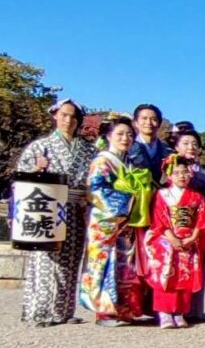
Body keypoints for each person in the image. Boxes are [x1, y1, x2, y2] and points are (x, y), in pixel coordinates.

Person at [14, 98, 96, 327]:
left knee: (71, 258)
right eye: (64, 115)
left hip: (77, 207)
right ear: (55, 116)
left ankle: (63, 311)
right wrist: (36, 168)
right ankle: (39, 312)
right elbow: (21, 176)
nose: (68, 120)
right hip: (47, 208)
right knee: (45, 259)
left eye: (73, 116)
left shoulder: (89, 149)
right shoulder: (40, 147)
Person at [78, 115, 154, 327]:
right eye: (120, 134)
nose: (125, 138)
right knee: (104, 263)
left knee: (125, 266)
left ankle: (124, 309)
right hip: (106, 220)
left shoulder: (129, 163)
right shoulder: (102, 161)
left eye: (129, 134)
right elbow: (95, 190)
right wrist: (127, 202)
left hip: (127, 223)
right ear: (108, 136)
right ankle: (105, 311)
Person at [144, 154, 205, 328]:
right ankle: (164, 312)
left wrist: (193, 237)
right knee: (166, 273)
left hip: (189, 238)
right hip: (166, 237)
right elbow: (159, 219)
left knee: (184, 275)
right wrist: (172, 238)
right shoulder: (163, 194)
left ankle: (180, 311)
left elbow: (201, 220)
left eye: (185, 172)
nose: (182, 176)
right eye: (177, 172)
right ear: (169, 175)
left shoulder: (197, 197)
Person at [165, 122, 205, 320]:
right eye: (185, 143)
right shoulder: (168, 167)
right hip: (172, 225)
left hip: (197, 224)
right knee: (171, 267)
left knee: (196, 265)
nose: (191, 147)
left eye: (194, 143)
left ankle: (193, 310)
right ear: (176, 146)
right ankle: (170, 310)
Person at [127, 104, 171, 184]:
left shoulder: (168, 151)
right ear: (136, 122)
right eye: (144, 118)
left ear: (159, 123)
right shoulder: (128, 148)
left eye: (153, 119)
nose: (148, 122)